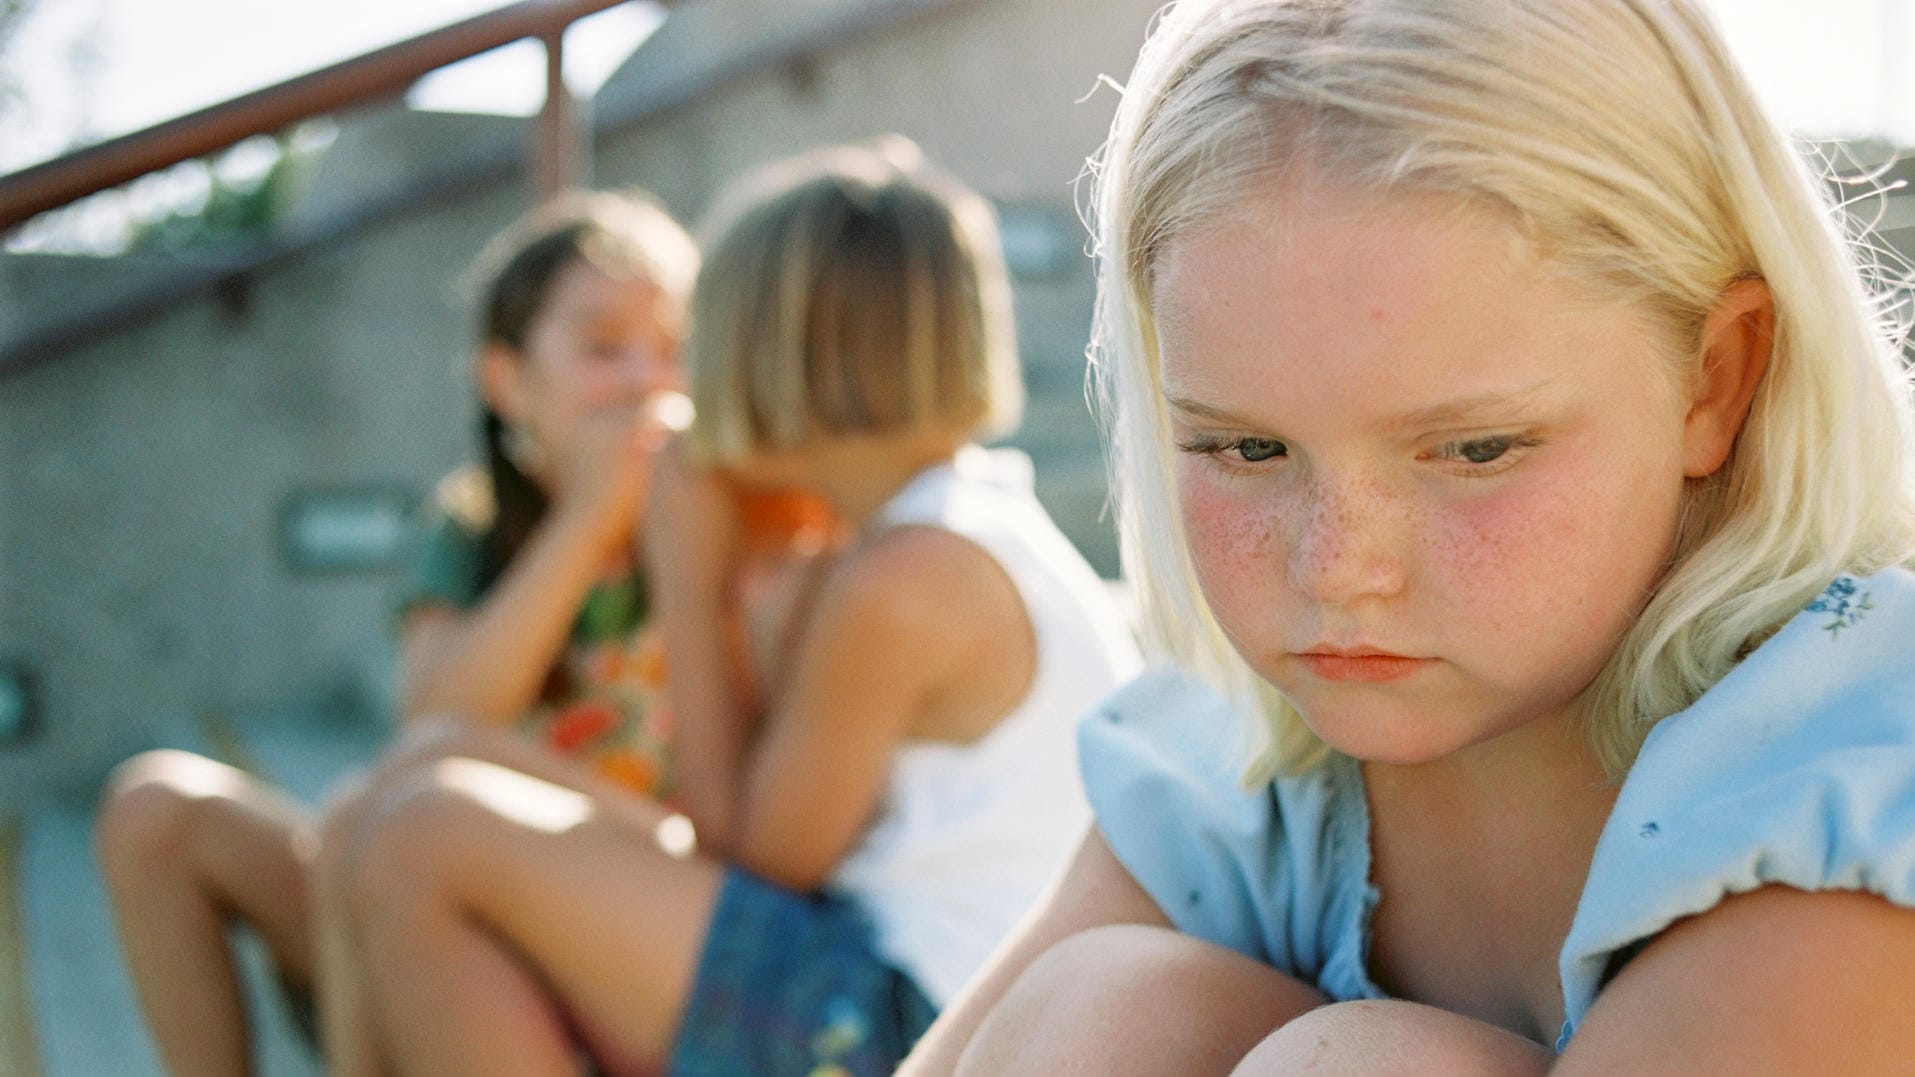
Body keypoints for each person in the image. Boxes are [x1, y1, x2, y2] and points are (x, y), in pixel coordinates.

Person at [901, 0, 1915, 1072]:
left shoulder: (1848, 788)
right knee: (1104, 1012)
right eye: (1246, 451)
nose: (1339, 568)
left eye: (1475, 450)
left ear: (1715, 379)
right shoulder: (1243, 783)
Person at [316, 136, 1142, 1077]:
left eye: (695, 344)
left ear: (772, 360)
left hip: (926, 1024)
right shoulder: (934, 526)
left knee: (426, 842)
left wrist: (690, 578)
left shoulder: (905, 580)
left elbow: (749, 858)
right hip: (887, 974)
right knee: (425, 768)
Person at [92, 188, 718, 1077]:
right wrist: (584, 522)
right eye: (603, 346)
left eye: (672, 349)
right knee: (155, 807)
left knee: (377, 821)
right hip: (434, 880)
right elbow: (437, 713)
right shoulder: (471, 524)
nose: (643, 380)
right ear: (507, 381)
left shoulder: (715, 519)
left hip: (604, 909)